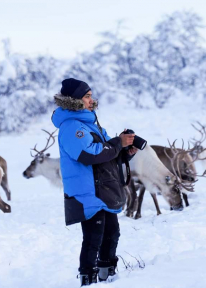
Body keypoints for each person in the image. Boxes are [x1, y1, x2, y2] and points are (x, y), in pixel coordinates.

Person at [51, 78, 138, 286]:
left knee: (111, 233)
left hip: (102, 188)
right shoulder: (72, 127)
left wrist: (125, 152)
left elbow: (108, 153)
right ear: (74, 100)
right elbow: (90, 155)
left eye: (91, 96)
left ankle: (107, 276)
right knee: (93, 238)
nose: (92, 100)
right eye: (87, 96)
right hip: (87, 191)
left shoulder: (90, 123)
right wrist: (118, 143)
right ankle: (88, 280)